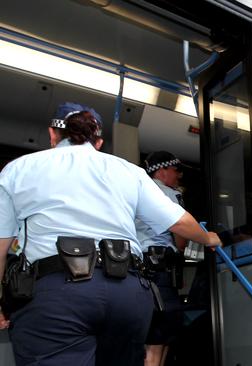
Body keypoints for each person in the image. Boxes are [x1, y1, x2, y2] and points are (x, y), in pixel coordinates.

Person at [0, 102, 222, 366]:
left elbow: (1, 249)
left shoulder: (18, 170)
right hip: (127, 293)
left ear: (52, 134)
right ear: (99, 142)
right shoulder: (128, 171)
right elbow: (179, 222)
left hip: (57, 293)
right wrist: (209, 238)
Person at [136, 150, 189, 366]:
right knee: (159, 339)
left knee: (152, 337)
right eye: (176, 171)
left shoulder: (137, 192)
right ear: (162, 171)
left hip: (137, 269)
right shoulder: (170, 195)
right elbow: (181, 241)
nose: (178, 176)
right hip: (160, 270)